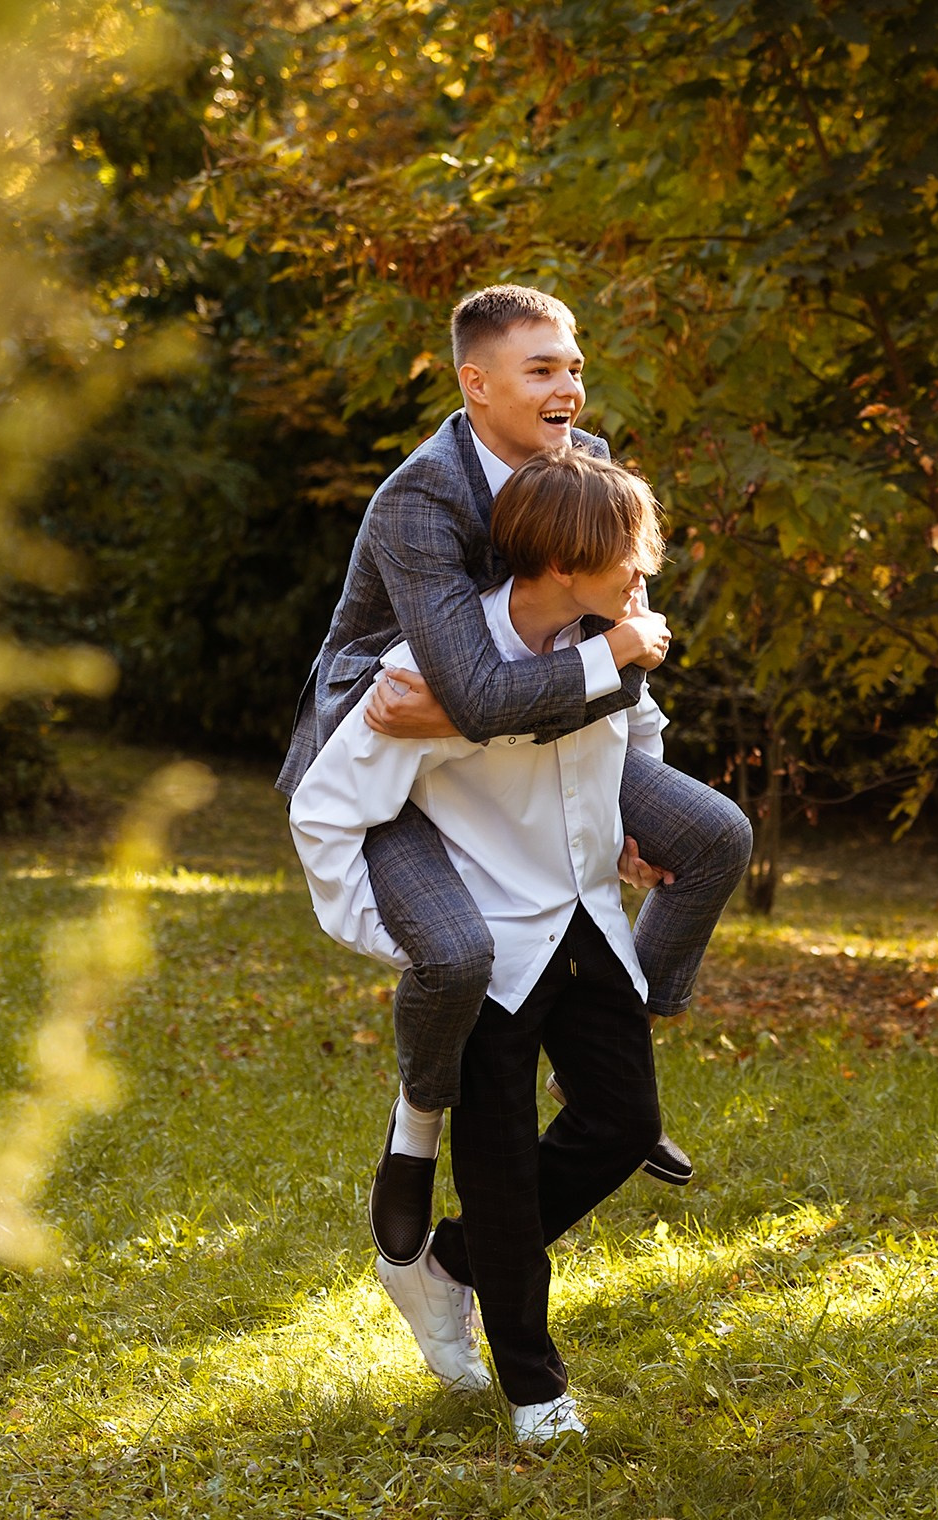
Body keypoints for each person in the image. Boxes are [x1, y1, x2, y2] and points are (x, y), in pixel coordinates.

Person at [277, 286, 751, 1271]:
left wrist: (624, 780)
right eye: (544, 369)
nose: (570, 387)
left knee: (711, 837)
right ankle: (413, 1139)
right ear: (475, 383)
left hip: (540, 734)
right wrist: (617, 650)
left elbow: (617, 660)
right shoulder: (421, 499)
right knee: (456, 955)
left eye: (575, 366)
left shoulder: (590, 470)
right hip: (394, 755)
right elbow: (488, 691)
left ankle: (621, 1058)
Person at [290, 449, 678, 1445]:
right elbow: (330, 809)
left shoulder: (611, 640)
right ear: (558, 559)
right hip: (493, 943)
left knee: (623, 1123)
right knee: (501, 1167)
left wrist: (635, 830)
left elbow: (642, 735)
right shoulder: (432, 671)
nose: (644, 572)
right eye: (627, 555)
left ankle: (451, 1259)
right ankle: (534, 1387)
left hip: (589, 921)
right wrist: (408, 943)